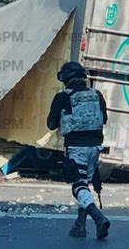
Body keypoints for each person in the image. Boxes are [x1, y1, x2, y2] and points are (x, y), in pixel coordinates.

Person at [47, 61, 111, 239]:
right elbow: (104, 119)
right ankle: (80, 225)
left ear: (65, 78)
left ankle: (98, 218)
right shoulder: (97, 94)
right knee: (85, 184)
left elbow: (51, 124)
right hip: (96, 147)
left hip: (76, 147)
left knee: (78, 186)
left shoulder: (63, 97)